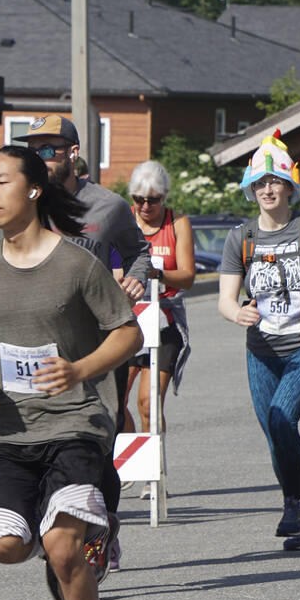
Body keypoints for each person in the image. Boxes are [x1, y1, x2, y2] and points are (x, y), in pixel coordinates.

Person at [0, 144, 139, 600]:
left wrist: (79, 368)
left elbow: (127, 331)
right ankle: (72, 533)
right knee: (5, 547)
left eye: (2, 181)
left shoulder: (76, 262)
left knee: (63, 550)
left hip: (78, 422)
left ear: (34, 189)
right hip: (11, 430)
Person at [217, 132, 300, 551]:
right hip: (262, 351)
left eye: (275, 181)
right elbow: (224, 300)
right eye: (260, 183)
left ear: (290, 186)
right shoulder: (242, 237)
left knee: (282, 417)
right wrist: (239, 314)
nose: (267, 189)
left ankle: (293, 504)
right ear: (251, 189)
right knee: (275, 432)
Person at [17, 115, 150, 302]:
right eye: (32, 152)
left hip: (91, 327)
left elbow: (137, 252)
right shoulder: (17, 206)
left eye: (46, 151)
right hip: (32, 326)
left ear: (73, 153)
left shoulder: (108, 205)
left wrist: (135, 278)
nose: (38, 160)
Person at [118, 160, 194, 445]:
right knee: (115, 401)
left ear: (164, 196)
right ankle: (128, 460)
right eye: (139, 200)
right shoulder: (122, 221)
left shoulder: (177, 223)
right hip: (128, 321)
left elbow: (187, 277)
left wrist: (156, 273)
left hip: (164, 322)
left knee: (148, 404)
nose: (146, 206)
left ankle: (154, 473)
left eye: (153, 200)